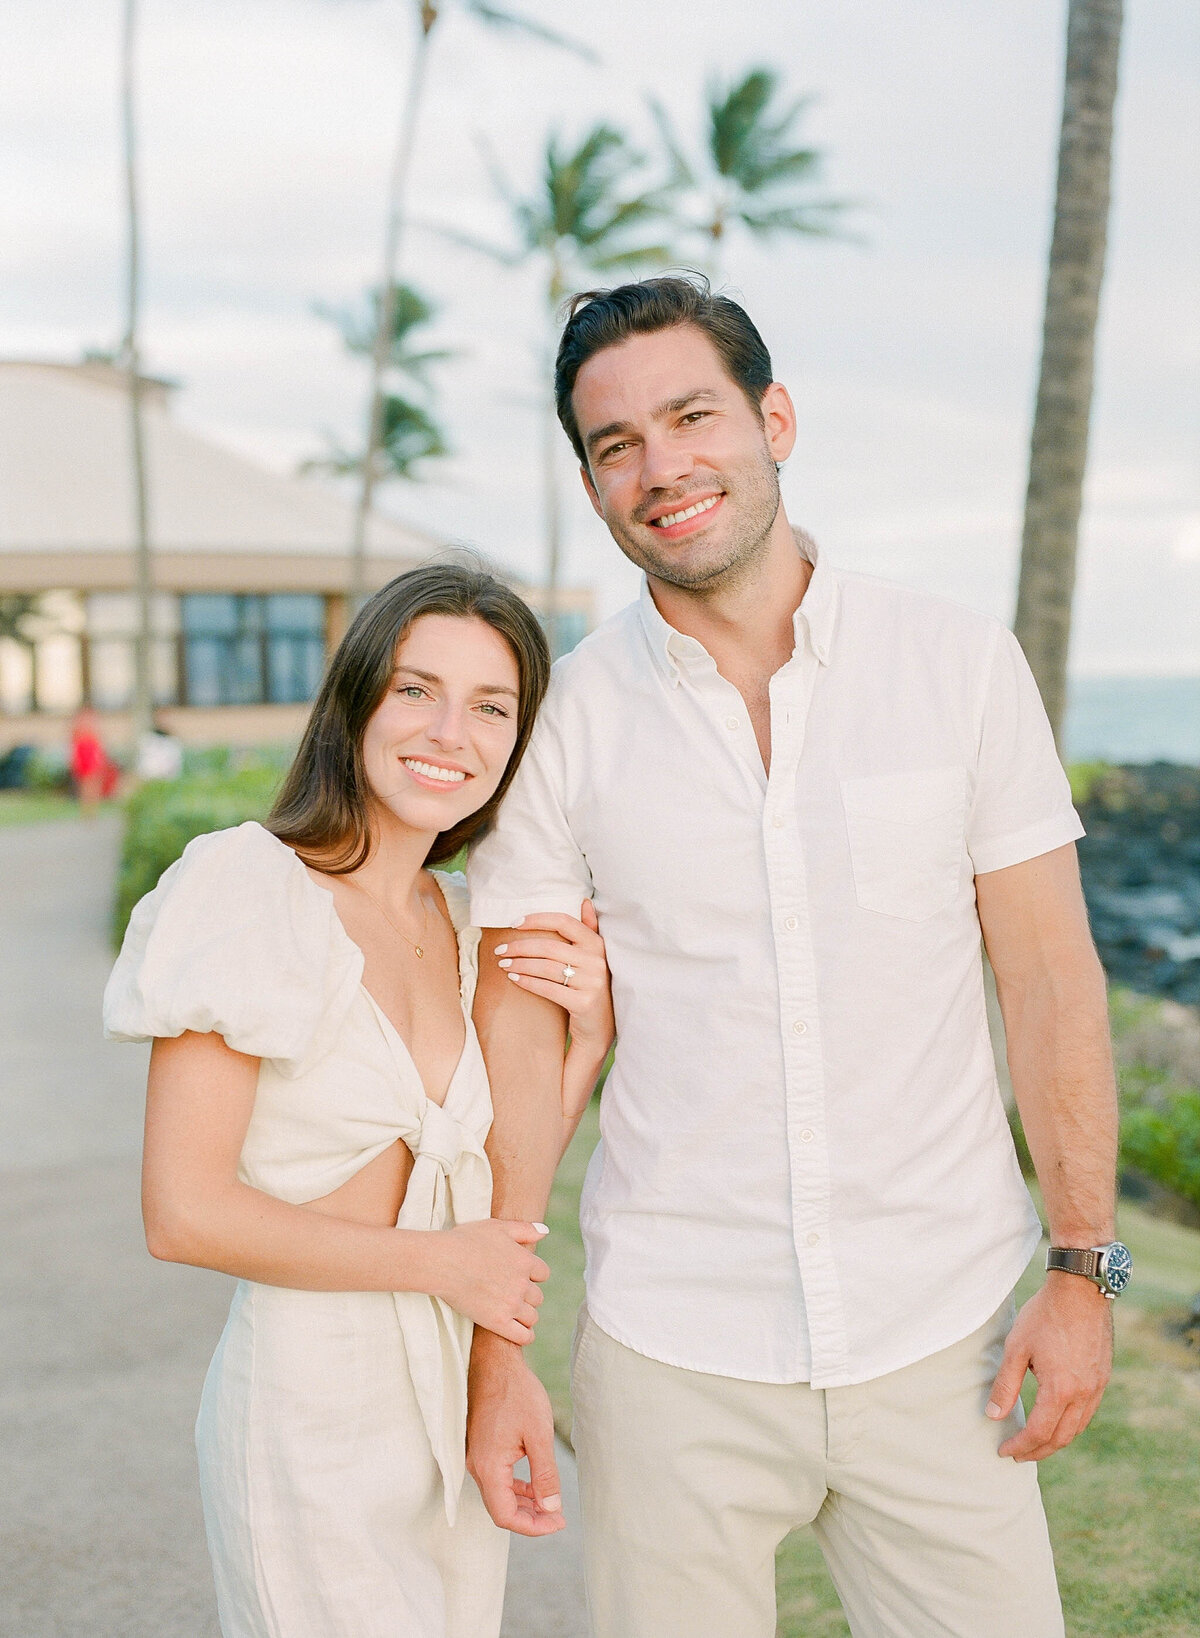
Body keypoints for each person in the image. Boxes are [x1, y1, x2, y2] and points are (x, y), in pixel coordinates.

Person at [464, 277, 1129, 1638]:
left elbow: (1051, 979)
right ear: (591, 482)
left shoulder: (955, 662)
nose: (662, 468)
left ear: (774, 418)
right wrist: (499, 1350)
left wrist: (1083, 1267)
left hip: (945, 1338)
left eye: (691, 414)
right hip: (672, 1351)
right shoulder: (566, 721)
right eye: (615, 444)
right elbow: (515, 1040)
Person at [102, 563, 615, 1638]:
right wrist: (446, 1267)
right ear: (356, 698)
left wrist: (590, 1040)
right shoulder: (248, 889)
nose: (450, 732)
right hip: (308, 1409)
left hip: (447, 1389)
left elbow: (491, 1167)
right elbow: (181, 1213)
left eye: (491, 705)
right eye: (416, 689)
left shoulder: (476, 919)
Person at [69, 706, 119, 810]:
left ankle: (93, 806)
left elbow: (99, 741)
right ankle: (87, 806)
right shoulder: (79, 727)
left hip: (91, 754)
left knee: (94, 781)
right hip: (83, 754)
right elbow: (73, 742)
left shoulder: (92, 727)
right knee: (85, 783)